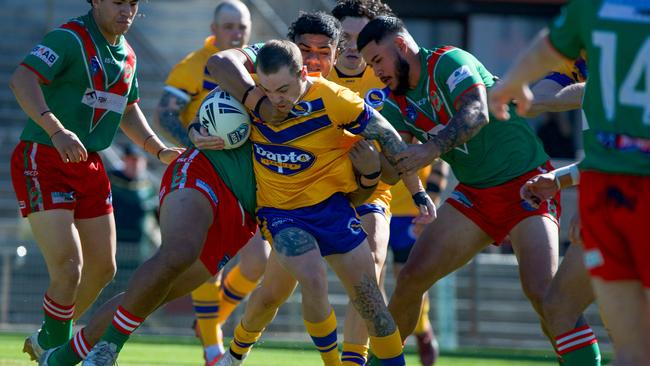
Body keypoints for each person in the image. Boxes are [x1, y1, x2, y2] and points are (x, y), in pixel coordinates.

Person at [357, 16, 600, 365]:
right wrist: (370, 163)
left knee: (544, 293)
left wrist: (431, 149)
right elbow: (393, 171)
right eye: (370, 65)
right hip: (474, 195)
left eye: (377, 60)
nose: (376, 71)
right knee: (411, 278)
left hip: (528, 184)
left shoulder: (448, 60)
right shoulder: (393, 103)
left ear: (400, 46)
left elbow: (476, 113)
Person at [209, 39, 434, 366]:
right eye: (268, 90)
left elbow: (389, 138)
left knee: (370, 299)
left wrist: (415, 191)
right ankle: (242, 355)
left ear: (303, 73)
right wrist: (199, 129)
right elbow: (210, 109)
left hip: (333, 209)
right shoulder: (251, 98)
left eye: (284, 89)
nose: (277, 100)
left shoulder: (333, 98)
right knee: (310, 278)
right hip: (281, 213)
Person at [8, 0, 180, 362]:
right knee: (70, 268)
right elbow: (21, 78)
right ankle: (56, 350)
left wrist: (159, 150)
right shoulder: (68, 38)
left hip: (88, 163)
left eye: (132, 3)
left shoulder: (128, 55)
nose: (126, 11)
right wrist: (55, 130)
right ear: (96, 1)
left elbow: (127, 108)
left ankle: (45, 339)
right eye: (117, 2)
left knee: (104, 268)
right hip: (44, 155)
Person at [489, 1, 650, 364]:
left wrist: (510, 85)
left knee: (633, 342)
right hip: (609, 190)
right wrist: (566, 179)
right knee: (563, 307)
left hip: (615, 192)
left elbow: (546, 52)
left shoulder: (592, 13)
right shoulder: (588, 20)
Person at [152, 2, 269, 363]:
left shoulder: (257, 63)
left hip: (245, 175)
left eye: (242, 27)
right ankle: (212, 347)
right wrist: (191, 136)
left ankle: (211, 319)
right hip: (203, 172)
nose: (236, 33)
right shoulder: (193, 65)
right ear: (213, 28)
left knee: (257, 262)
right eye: (229, 26)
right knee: (208, 259)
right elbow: (165, 111)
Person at [329, 2, 441, 365]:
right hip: (316, 191)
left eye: (359, 40)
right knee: (274, 284)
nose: (350, 46)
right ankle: (225, 344)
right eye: (343, 37)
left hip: (378, 192)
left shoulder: (390, 81)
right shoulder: (309, 73)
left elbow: (402, 147)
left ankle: (364, 356)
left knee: (377, 266)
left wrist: (423, 192)